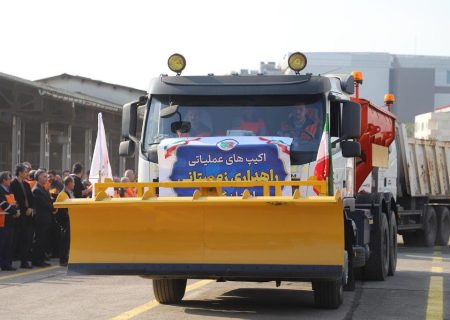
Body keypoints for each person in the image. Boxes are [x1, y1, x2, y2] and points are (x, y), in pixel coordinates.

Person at [10, 164, 34, 269]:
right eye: (25, 171)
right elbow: (15, 199)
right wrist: (22, 210)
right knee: (16, 239)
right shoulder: (13, 184)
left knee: (27, 238)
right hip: (19, 215)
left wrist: (31, 208)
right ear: (19, 172)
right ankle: (9, 261)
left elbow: (31, 198)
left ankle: (24, 261)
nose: (27, 173)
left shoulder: (27, 184)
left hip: (28, 214)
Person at [32, 169, 55, 267]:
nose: (46, 178)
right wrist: (53, 208)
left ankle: (41, 259)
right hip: (41, 218)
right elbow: (44, 204)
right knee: (39, 240)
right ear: (39, 177)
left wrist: (54, 206)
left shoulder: (43, 188)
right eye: (44, 176)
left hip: (46, 218)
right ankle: (37, 261)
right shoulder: (37, 189)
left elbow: (49, 200)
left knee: (43, 240)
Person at [0, 171, 20, 271]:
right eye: (9, 178)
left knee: (8, 244)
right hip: (3, 222)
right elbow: (3, 204)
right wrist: (14, 212)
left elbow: (13, 203)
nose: (11, 180)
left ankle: (6, 264)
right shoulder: (0, 190)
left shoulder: (9, 190)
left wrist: (16, 210)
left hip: (10, 221)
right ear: (4, 180)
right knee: (2, 244)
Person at [56, 176, 73, 266]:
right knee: (65, 241)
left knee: (67, 241)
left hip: (68, 220)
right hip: (64, 221)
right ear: (69, 183)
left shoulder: (68, 193)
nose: (73, 184)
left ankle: (66, 258)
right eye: (72, 182)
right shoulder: (63, 194)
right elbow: (64, 210)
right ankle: (63, 260)